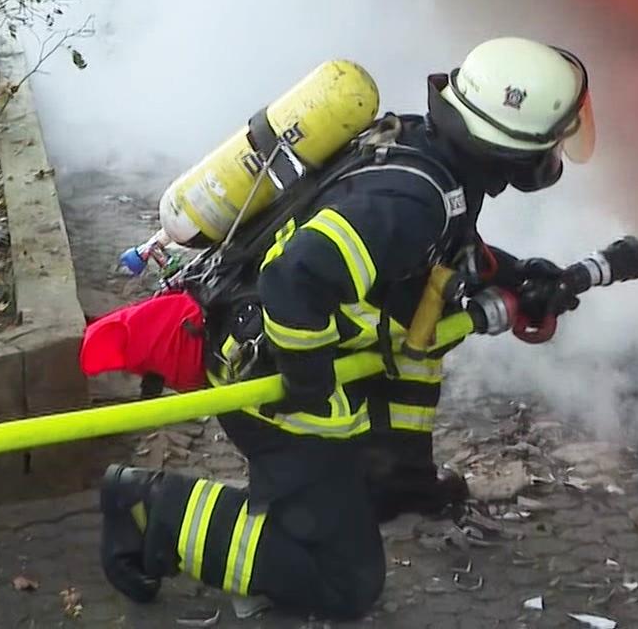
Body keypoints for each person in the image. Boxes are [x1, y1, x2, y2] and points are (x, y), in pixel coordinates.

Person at [97, 37, 600, 620]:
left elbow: (433, 257)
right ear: (518, 150)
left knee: (421, 344)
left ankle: (392, 477)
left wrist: (516, 275)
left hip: (294, 342)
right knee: (342, 582)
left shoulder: (431, 162)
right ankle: (149, 508)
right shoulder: (413, 199)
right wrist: (306, 384)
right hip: (270, 366)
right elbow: (295, 278)